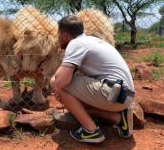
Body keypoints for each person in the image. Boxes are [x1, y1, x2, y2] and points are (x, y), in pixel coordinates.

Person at [50, 15, 135, 143]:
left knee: (55, 82)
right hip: (125, 96)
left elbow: (60, 81)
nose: (58, 38)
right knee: (72, 95)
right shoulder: (92, 40)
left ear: (65, 35)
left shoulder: (75, 44)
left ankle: (91, 131)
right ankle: (119, 118)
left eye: (59, 34)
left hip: (113, 93)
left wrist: (60, 89)